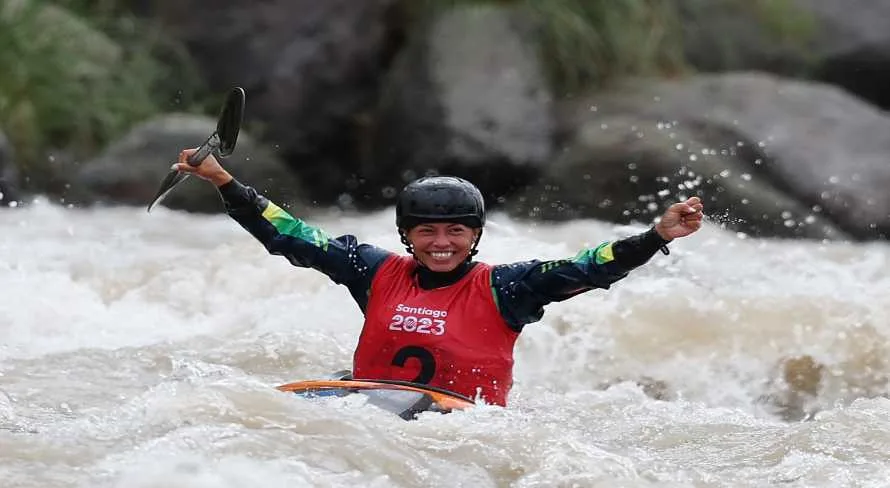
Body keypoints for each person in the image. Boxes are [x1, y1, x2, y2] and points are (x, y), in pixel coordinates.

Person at [173, 149, 704, 406]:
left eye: (456, 231)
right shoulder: (373, 269)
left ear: (475, 236)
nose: (442, 243)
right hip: (371, 408)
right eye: (426, 231)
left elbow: (589, 266)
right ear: (407, 236)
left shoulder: (508, 288)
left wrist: (656, 235)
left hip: (462, 429)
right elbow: (291, 235)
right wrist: (223, 180)